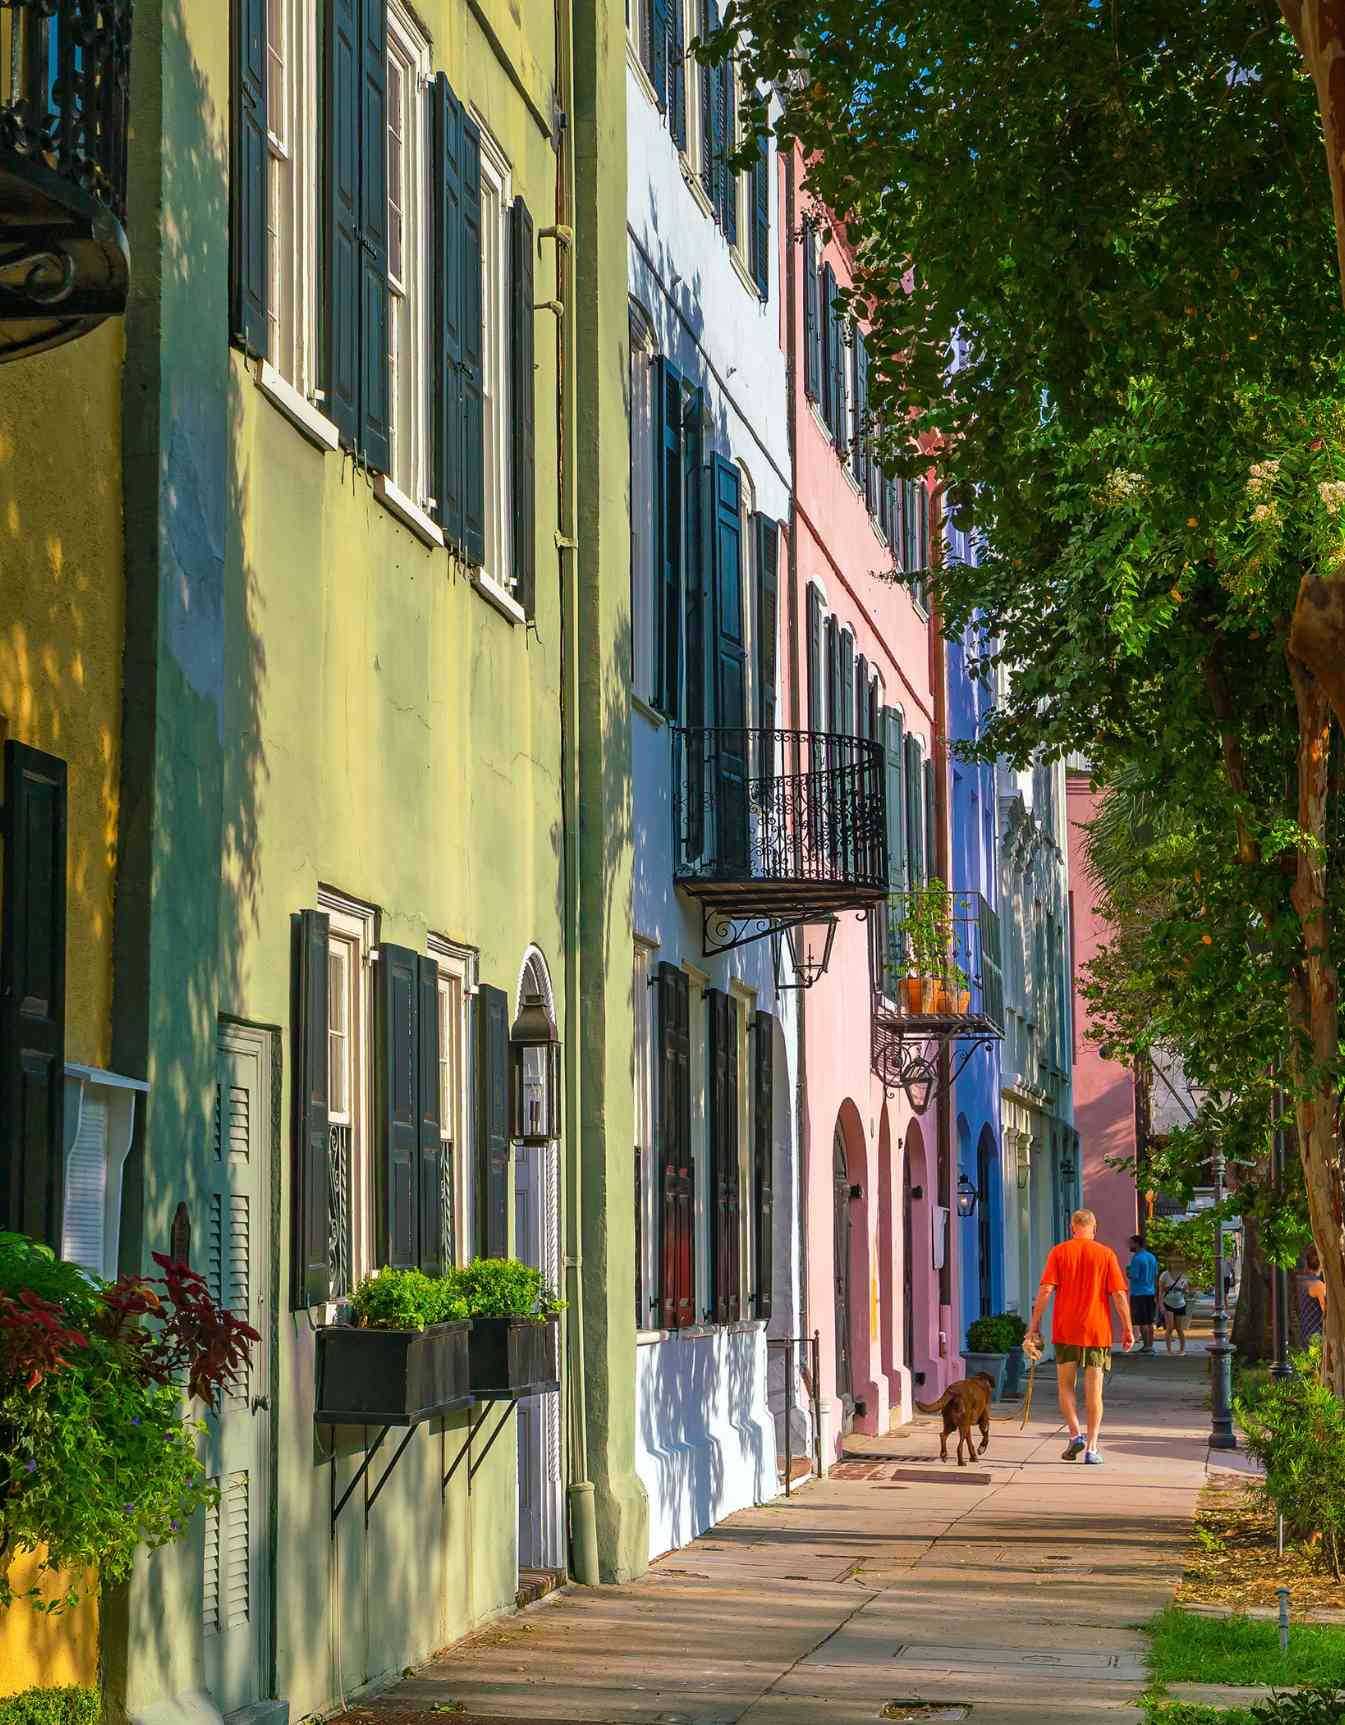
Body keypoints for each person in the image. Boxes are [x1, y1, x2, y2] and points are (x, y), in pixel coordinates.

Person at [1026, 1208, 1134, 1467]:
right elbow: (1119, 1295)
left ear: (1072, 1227)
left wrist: (1034, 1325)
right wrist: (1128, 1328)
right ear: (1094, 1227)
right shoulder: (1106, 1254)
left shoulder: (1059, 1252)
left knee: (1065, 1385)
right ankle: (1092, 1448)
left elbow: (1045, 1290)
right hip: (1097, 1332)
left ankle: (1075, 1433)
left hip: (1066, 1330)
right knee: (1094, 1391)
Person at [1126, 1234, 1159, 1355]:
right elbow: (1155, 1275)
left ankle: (1146, 1347)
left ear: (1137, 1244)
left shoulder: (1137, 1258)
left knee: (1142, 1321)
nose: (1129, 1245)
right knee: (1150, 1321)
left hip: (1139, 1292)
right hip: (1150, 1292)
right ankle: (1151, 1345)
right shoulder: (1151, 1257)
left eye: (1131, 1243)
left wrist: (1127, 1272)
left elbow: (1134, 1276)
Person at [1159, 1257, 1189, 1355]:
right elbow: (1160, 1291)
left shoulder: (1183, 1276)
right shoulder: (1165, 1275)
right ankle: (1169, 1350)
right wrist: (1161, 1305)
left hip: (1180, 1304)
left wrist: (1184, 1290)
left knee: (1179, 1328)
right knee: (1170, 1327)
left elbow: (1187, 1291)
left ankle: (1182, 1350)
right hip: (1168, 1303)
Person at [1299, 1247, 1326, 1346]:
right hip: (1316, 1336)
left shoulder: (1303, 1281)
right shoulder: (1319, 1285)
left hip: (1305, 1332)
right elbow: (1327, 1310)